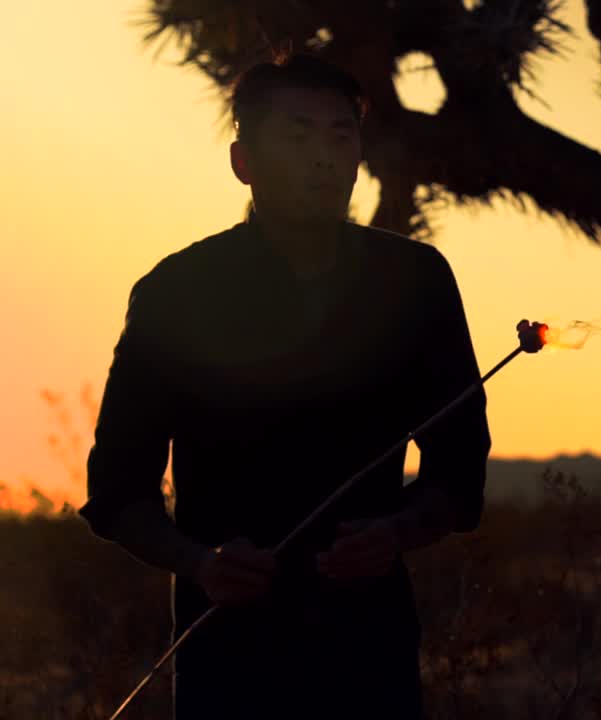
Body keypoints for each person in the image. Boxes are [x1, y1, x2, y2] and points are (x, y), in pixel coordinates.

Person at [78, 52, 491, 719]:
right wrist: (201, 561)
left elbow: (460, 469)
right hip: (229, 657)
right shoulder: (177, 292)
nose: (324, 158)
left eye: (340, 135)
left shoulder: (416, 282)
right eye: (297, 137)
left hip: (369, 650)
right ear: (244, 162)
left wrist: (399, 530)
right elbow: (117, 491)